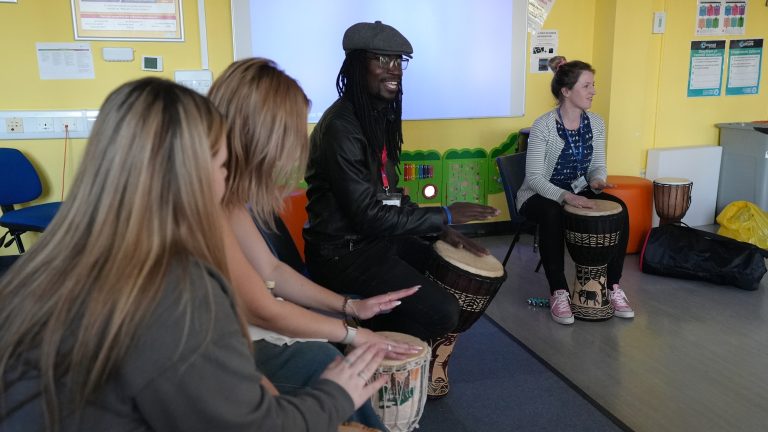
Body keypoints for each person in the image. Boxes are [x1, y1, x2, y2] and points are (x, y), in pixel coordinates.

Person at [0, 77, 387, 431]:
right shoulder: (173, 290)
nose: (225, 175)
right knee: (325, 369)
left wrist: (348, 313)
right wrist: (337, 391)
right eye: (220, 164)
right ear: (189, 174)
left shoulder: (40, 265)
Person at [209, 58, 425, 430]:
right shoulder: (203, 195)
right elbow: (263, 308)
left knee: (328, 352)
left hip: (224, 336)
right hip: (208, 352)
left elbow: (272, 272)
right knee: (324, 361)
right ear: (260, 135)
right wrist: (356, 335)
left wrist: (350, 306)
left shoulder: (225, 191)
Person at [303, 21, 499, 347]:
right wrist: (444, 215)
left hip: (372, 242)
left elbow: (389, 195)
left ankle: (381, 335)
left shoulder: (376, 118)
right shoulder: (342, 128)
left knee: (444, 266)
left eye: (398, 61)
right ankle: (362, 346)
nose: (393, 69)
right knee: (442, 311)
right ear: (355, 65)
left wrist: (437, 230)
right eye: (381, 60)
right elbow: (368, 215)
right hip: (341, 254)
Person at [516, 60, 635, 325]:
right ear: (566, 91)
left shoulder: (596, 123)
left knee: (620, 210)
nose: (593, 91)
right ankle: (558, 291)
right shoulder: (543, 126)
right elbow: (534, 178)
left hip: (580, 191)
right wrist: (567, 197)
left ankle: (612, 287)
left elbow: (598, 166)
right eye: (586, 86)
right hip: (540, 195)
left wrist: (597, 181)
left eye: (593, 85)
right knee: (552, 213)